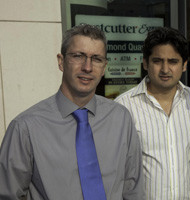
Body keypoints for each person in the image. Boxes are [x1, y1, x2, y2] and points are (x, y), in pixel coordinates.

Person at [0, 24, 144, 199]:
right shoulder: (25, 128)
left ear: (104, 67)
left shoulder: (121, 119)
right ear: (61, 61)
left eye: (96, 59)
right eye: (78, 56)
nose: (87, 67)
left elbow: (133, 189)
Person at [115, 27, 190, 200]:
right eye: (158, 61)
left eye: (173, 61)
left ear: (184, 64)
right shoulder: (124, 105)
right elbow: (116, 167)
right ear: (145, 63)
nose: (165, 69)